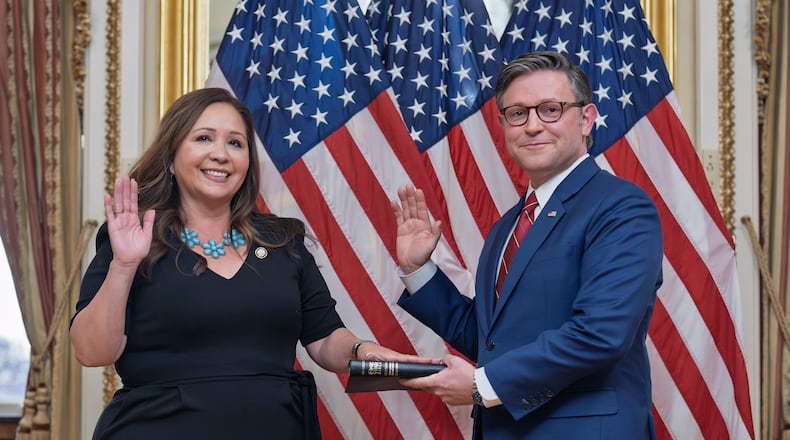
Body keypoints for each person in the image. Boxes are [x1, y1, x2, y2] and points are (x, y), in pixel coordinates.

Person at [71, 87, 423, 440]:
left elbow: (325, 340)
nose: (221, 154)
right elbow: (91, 351)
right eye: (204, 138)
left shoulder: (284, 241)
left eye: (235, 143)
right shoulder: (133, 238)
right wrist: (124, 265)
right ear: (170, 158)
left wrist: (365, 352)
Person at [391, 51, 663, 439]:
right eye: (517, 113)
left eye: (550, 109)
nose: (533, 125)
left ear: (586, 119)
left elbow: (601, 333)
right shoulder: (508, 225)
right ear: (504, 125)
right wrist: (420, 270)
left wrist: (481, 386)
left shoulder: (622, 207)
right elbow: (492, 339)